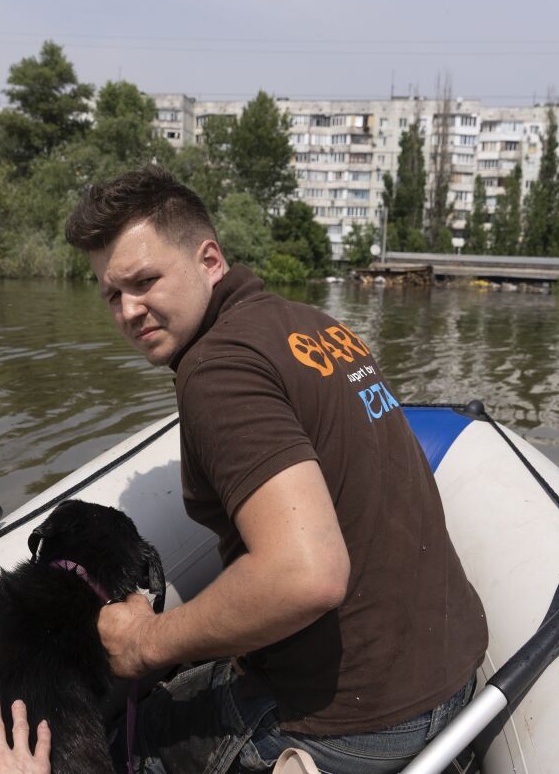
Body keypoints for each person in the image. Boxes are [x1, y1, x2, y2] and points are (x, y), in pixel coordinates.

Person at [65, 165, 488, 774]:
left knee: (120, 744)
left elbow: (306, 575)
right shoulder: (317, 326)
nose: (129, 310)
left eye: (145, 280)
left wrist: (143, 642)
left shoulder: (218, 372)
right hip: (455, 678)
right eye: (112, 294)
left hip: (358, 724)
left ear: (209, 259)